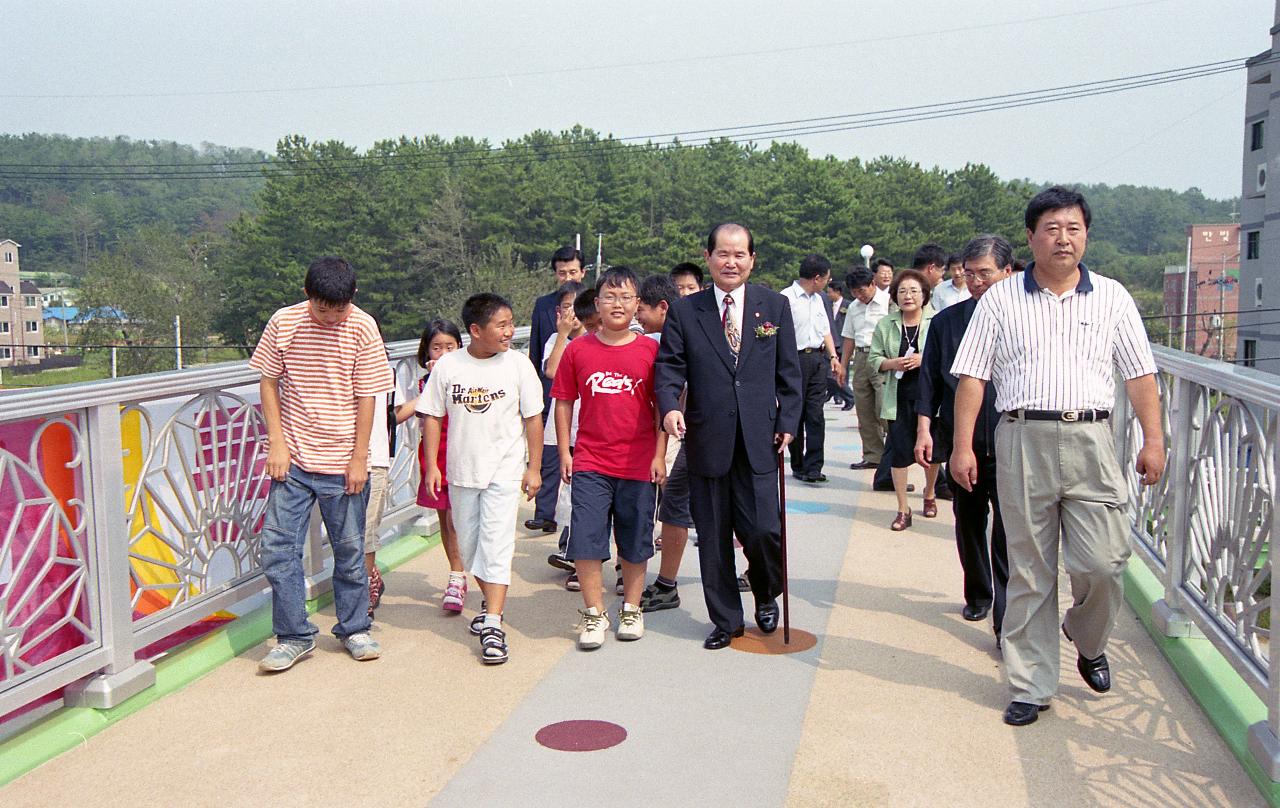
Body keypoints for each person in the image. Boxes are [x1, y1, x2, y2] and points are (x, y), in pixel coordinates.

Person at [950, 187, 1164, 726]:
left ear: (1086, 234)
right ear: (1031, 237)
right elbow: (973, 376)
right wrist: (960, 445)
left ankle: (1087, 636)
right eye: (1051, 228)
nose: (1063, 238)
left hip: (1093, 440)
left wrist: (1154, 439)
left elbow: (1140, 374)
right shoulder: (1000, 299)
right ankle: (1030, 684)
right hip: (1022, 438)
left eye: (1072, 227)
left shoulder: (1113, 297)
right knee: (1030, 570)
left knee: (1105, 563)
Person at [656, 223, 802, 650]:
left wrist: (788, 422)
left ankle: (765, 592)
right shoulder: (687, 311)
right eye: (723, 254)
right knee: (714, 539)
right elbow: (669, 369)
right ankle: (725, 620)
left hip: (761, 439)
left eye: (740, 255)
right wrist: (668, 409)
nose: (731, 262)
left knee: (762, 531)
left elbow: (788, 373)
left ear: (752, 260)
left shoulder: (774, 307)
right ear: (708, 257)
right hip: (706, 439)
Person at [252, 256, 394, 672]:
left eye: (339, 308)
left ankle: (354, 629)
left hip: (342, 459)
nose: (331, 317)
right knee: (278, 550)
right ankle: (294, 635)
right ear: (306, 295)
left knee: (350, 551)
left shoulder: (363, 326)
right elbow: (268, 380)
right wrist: (276, 443)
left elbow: (369, 396)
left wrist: (358, 458)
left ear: (353, 296)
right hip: (292, 459)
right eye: (322, 308)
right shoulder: (284, 323)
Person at [419, 293, 544, 665]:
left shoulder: (519, 366)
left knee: (497, 543)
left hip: (503, 471)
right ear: (475, 330)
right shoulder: (448, 367)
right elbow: (431, 416)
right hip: (461, 472)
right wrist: (431, 466)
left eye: (511, 323)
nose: (509, 331)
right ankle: (491, 607)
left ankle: (493, 622)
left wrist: (533, 468)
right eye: (501, 325)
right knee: (471, 549)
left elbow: (533, 418)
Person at [552, 267, 666, 649]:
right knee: (586, 540)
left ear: (637, 305)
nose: (617, 304)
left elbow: (660, 408)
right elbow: (564, 401)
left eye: (626, 298)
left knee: (635, 540)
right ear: (596, 303)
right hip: (590, 462)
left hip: (638, 461)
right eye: (609, 297)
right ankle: (594, 613)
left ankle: (631, 608)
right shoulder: (578, 350)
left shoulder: (651, 350)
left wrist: (659, 455)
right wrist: (565, 451)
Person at [914, 236, 1012, 649]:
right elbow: (931, 381)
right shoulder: (947, 322)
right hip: (961, 439)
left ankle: (1007, 615)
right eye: (969, 274)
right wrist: (924, 430)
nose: (975, 282)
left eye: (985, 273)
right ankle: (978, 593)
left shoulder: (1026, 319)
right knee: (969, 520)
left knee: (1009, 529)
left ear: (1008, 272)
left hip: (1011, 439)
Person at [636, 272, 696, 612]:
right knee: (674, 506)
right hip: (682, 435)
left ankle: (760, 573)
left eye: (639, 308)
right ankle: (666, 584)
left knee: (734, 508)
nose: (636, 317)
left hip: (710, 432)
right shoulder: (655, 342)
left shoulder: (695, 327)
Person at [869, 268, 939, 531]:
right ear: (895, 296)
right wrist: (892, 362)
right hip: (897, 397)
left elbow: (947, 358)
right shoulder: (886, 324)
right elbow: (873, 359)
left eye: (914, 291)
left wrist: (924, 359)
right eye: (902, 291)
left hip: (931, 397)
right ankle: (902, 509)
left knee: (932, 452)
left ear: (924, 294)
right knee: (899, 452)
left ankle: (929, 494)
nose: (908, 296)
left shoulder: (937, 321)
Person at [525, 245, 587, 535]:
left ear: (583, 272)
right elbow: (538, 348)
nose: (566, 277)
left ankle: (568, 521)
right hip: (550, 388)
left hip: (582, 396)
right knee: (549, 452)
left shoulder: (588, 304)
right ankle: (544, 512)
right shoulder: (544, 304)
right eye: (561, 273)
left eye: (572, 271)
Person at [407, 320, 466, 612]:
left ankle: (469, 571)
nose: (443, 353)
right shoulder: (424, 383)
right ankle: (456, 576)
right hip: (436, 455)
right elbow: (417, 413)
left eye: (449, 347)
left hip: (466, 453)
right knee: (446, 517)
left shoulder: (471, 376)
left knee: (462, 519)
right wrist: (434, 383)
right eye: (436, 347)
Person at [541, 281, 588, 577]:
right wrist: (562, 335)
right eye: (568, 307)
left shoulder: (598, 338)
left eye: (578, 306)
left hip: (592, 428)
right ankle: (569, 548)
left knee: (586, 495)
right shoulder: (556, 341)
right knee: (569, 491)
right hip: (567, 429)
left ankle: (581, 552)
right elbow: (552, 371)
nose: (573, 314)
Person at [783, 254, 842, 484]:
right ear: (817, 278)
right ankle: (798, 464)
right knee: (795, 415)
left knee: (816, 415)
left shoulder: (820, 300)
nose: (828, 283)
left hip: (817, 360)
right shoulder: (785, 298)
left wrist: (833, 357)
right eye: (827, 278)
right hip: (793, 362)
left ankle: (814, 466)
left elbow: (825, 330)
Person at [838, 267, 890, 470]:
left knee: (884, 408)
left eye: (862, 290)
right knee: (864, 409)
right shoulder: (854, 307)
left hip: (883, 357)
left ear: (872, 284)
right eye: (854, 292)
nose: (858, 295)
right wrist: (843, 365)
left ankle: (895, 454)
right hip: (860, 357)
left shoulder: (889, 302)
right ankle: (873, 455)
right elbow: (849, 337)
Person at [825, 279, 855, 410]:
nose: (828, 295)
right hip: (830, 344)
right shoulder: (827, 305)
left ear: (837, 292)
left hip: (843, 344)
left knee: (842, 373)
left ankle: (848, 397)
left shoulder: (849, 305)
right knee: (829, 375)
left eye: (830, 292)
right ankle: (836, 394)